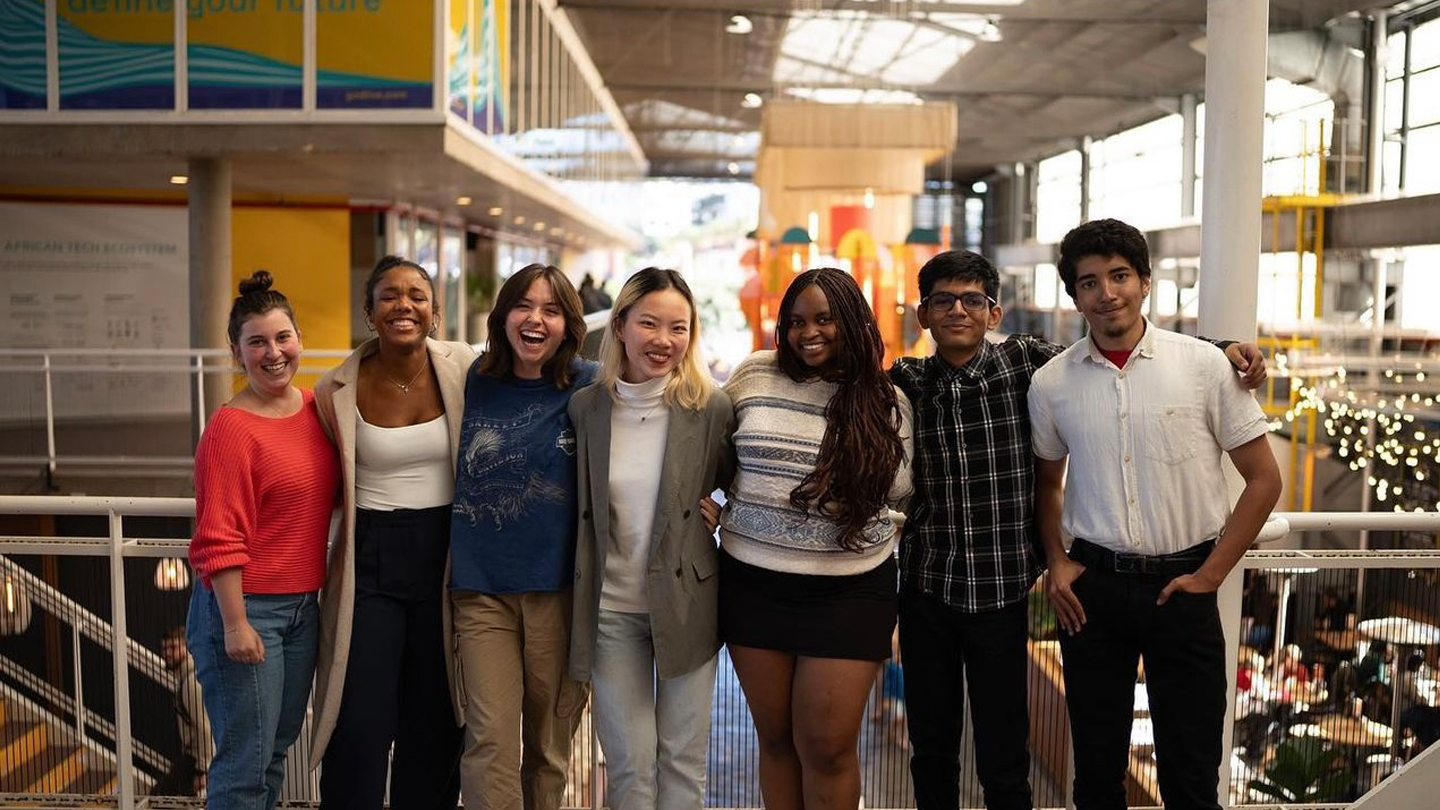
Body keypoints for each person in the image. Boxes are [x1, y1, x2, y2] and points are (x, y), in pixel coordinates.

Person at [887, 249, 1267, 810]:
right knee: (934, 750)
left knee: (1006, 756)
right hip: (928, 585)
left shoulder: (1027, 365)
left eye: (972, 300)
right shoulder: (908, 381)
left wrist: (1225, 349)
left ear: (994, 314)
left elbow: (1118, 343)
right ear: (924, 315)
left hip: (1001, 591)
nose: (957, 312)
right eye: (942, 301)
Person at [1030, 218, 1282, 810]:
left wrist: (1210, 578)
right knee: (1095, 775)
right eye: (1089, 282)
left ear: (1145, 282)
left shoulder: (1206, 366)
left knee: (1191, 779)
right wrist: (1057, 561)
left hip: (1186, 588)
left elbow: (1265, 480)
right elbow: (1048, 484)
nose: (1106, 292)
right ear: (1075, 297)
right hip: (1093, 592)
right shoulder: (1051, 383)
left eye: (1119, 276)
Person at [718, 267, 913, 810]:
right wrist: (706, 501)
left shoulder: (886, 399)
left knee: (826, 747)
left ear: (851, 321)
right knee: (777, 741)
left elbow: (900, 492)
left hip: (848, 591)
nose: (810, 332)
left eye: (826, 319)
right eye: (797, 321)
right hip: (753, 585)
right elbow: (714, 452)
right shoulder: (754, 374)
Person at [569, 268, 736, 810]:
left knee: (682, 765)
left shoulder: (711, 409)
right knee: (631, 768)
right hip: (610, 611)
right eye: (649, 324)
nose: (664, 340)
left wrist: (719, 509)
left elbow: (744, 482)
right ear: (620, 326)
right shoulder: (587, 408)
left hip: (687, 603)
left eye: (679, 328)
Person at [311, 255, 473, 809]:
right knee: (358, 723)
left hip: (445, 563)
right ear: (370, 311)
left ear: (434, 311)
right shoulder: (332, 389)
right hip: (369, 566)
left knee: (434, 721)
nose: (403, 304)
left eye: (416, 295)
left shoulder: (464, 370)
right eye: (389, 295)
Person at [187, 271, 340, 810]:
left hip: (303, 608)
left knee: (275, 751)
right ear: (236, 352)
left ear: (298, 339)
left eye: (282, 338)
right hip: (246, 610)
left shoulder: (316, 410)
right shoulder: (230, 428)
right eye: (257, 342)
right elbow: (218, 536)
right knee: (244, 766)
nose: (273, 353)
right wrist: (235, 624)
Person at [447, 263, 594, 810]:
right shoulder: (470, 380)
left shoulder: (590, 386)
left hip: (558, 593)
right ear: (504, 315)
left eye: (551, 310)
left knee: (549, 750)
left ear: (568, 324)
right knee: (489, 742)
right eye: (524, 306)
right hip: (481, 589)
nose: (535, 320)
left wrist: (709, 499)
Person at [153, 626, 213, 798]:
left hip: (196, 760)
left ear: (187, 648)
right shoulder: (187, 677)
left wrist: (203, 769)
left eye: (173, 648)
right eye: (165, 648)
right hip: (193, 758)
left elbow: (205, 729)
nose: (168, 653)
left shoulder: (191, 682)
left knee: (159, 798)